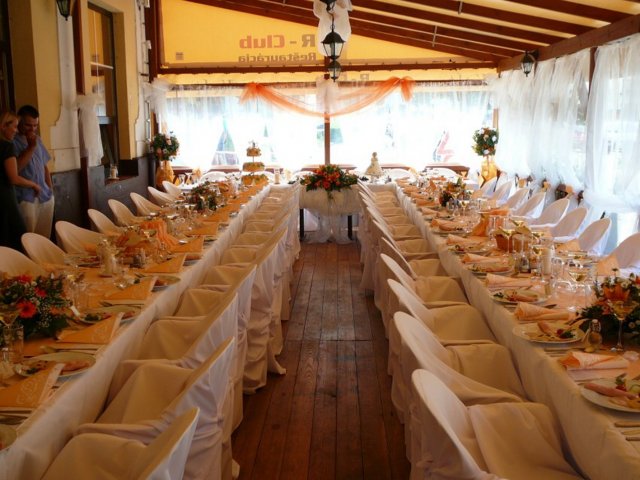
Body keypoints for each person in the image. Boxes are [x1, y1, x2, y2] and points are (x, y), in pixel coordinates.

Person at [0, 111, 39, 251]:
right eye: (15, 127)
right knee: (18, 239)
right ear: (3, 126)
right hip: (5, 199)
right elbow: (14, 178)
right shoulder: (6, 146)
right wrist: (33, 184)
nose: (16, 131)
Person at [13, 105, 54, 238]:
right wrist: (30, 148)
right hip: (26, 198)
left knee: (44, 240)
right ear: (19, 122)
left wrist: (50, 190)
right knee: (28, 240)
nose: (32, 129)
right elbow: (15, 169)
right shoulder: (12, 142)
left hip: (45, 196)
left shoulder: (38, 139)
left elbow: (44, 166)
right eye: (28, 125)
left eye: (35, 125)